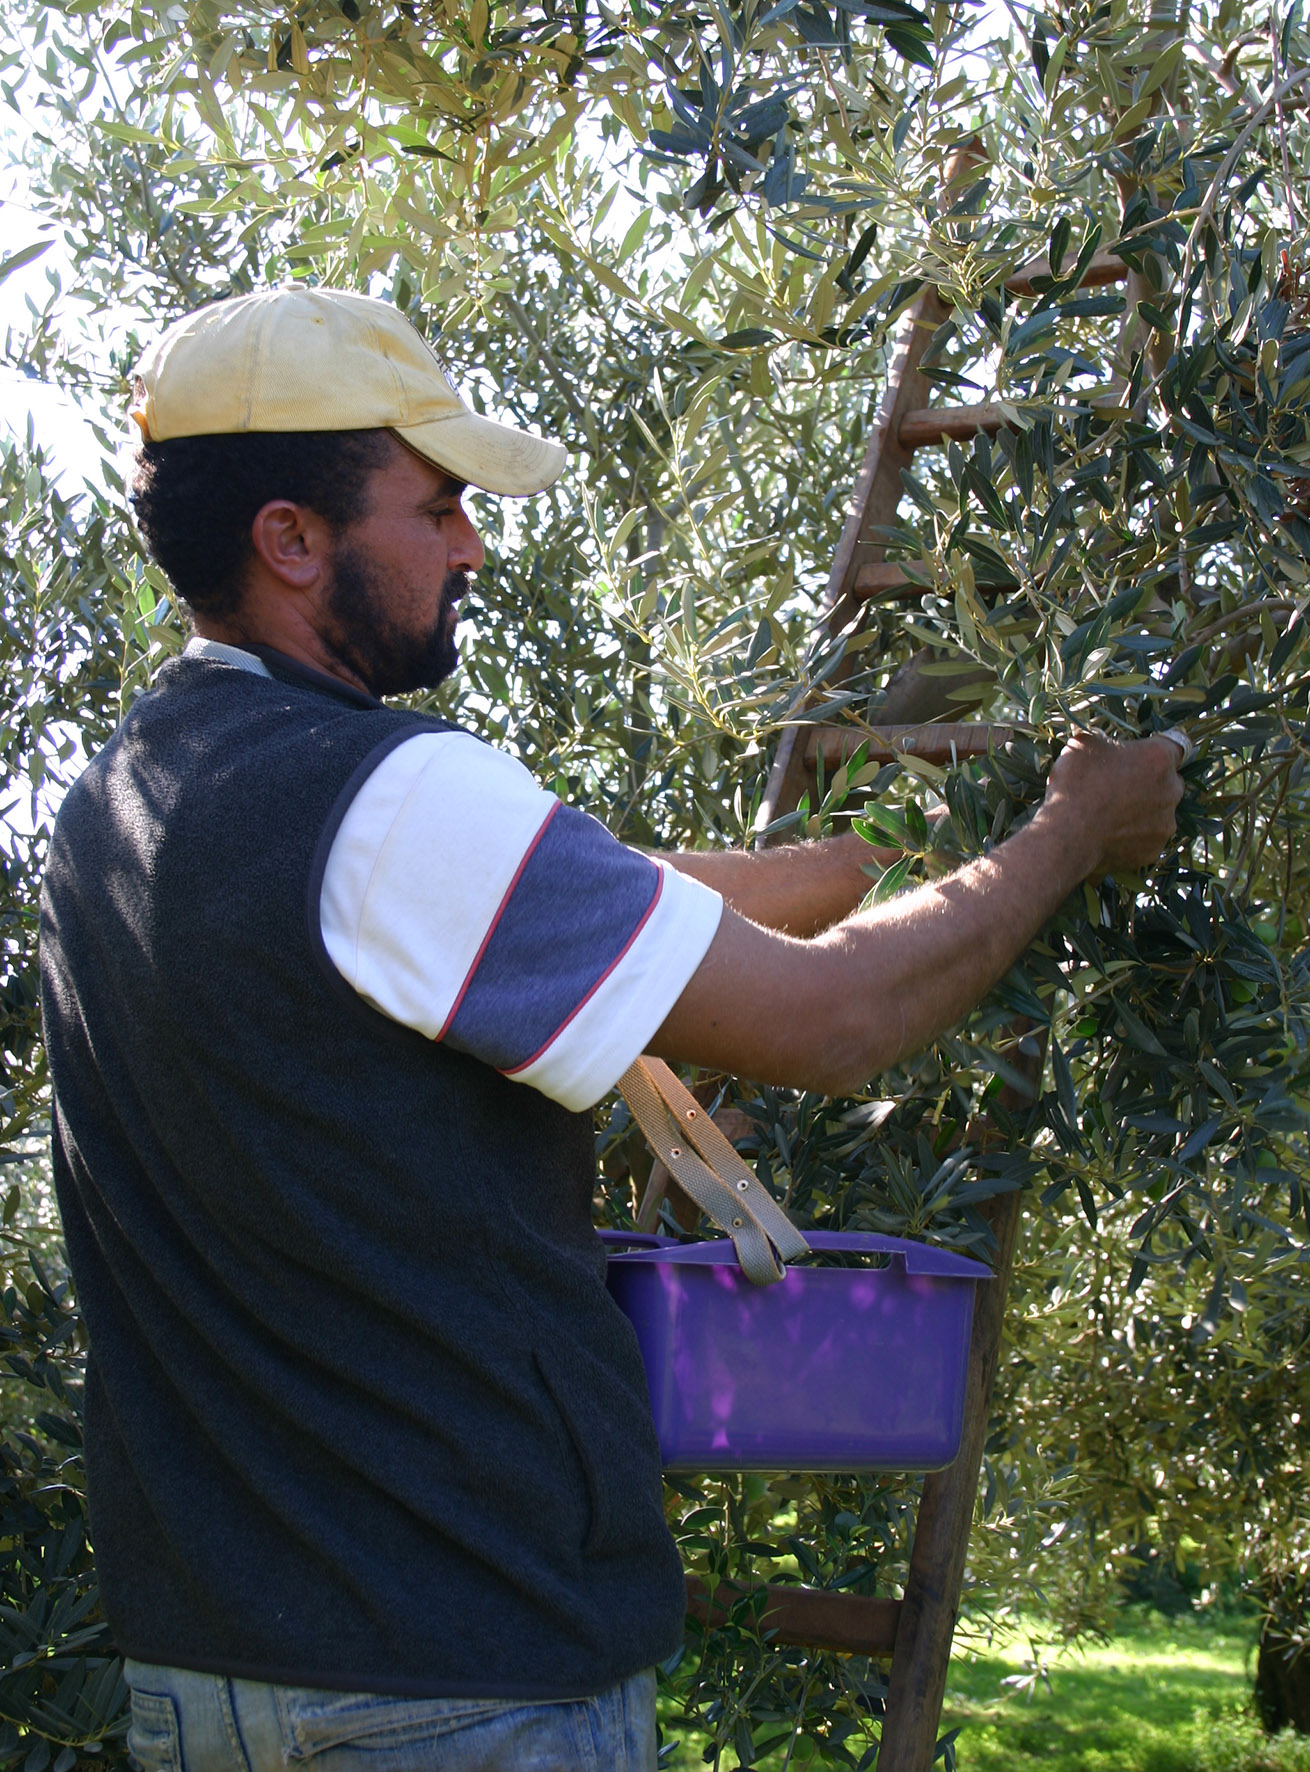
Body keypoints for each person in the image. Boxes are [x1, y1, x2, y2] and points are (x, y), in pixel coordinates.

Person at [38, 286, 1185, 1772]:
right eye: (434, 507)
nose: (468, 546)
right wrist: (1061, 836)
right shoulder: (387, 794)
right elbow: (840, 1025)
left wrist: (852, 871)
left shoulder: (127, 802)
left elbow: (534, 895)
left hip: (215, 1676)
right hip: (458, 1687)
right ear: (290, 539)